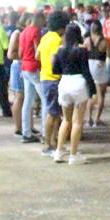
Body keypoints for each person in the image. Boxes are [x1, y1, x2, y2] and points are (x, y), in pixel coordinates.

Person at [51, 24, 92, 164]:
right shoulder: (82, 50)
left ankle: (59, 151)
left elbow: (55, 70)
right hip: (79, 83)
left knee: (66, 120)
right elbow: (86, 72)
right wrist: (92, 91)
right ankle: (73, 155)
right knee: (77, 121)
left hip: (64, 83)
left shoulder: (60, 50)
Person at [36, 11, 67, 157]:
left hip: (45, 77)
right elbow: (56, 59)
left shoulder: (45, 37)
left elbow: (37, 55)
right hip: (53, 79)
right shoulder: (56, 39)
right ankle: (48, 145)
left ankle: (54, 143)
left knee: (54, 113)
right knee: (53, 113)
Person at [17, 12, 43, 143]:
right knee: (45, 100)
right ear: (37, 19)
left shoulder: (23, 32)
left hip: (25, 67)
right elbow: (38, 51)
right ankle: (46, 132)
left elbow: (20, 52)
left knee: (28, 101)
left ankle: (26, 132)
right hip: (34, 67)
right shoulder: (36, 31)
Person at [85, 21, 110, 128]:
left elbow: (83, 53)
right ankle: (97, 119)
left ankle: (89, 119)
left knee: (90, 95)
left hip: (89, 66)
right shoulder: (104, 41)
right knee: (101, 95)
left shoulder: (87, 40)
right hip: (100, 67)